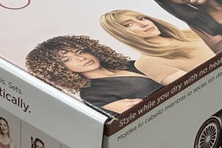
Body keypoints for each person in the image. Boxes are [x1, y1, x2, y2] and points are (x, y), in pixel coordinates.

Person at [25, 35, 162, 116]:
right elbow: (140, 112)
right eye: (67, 59)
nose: (81, 58)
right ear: (58, 69)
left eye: (79, 52)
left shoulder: (130, 64)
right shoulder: (92, 94)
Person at [99, 9, 214, 84]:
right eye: (128, 24)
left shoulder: (190, 32)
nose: (143, 24)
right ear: (121, 33)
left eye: (141, 18)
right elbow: (196, 86)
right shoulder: (147, 62)